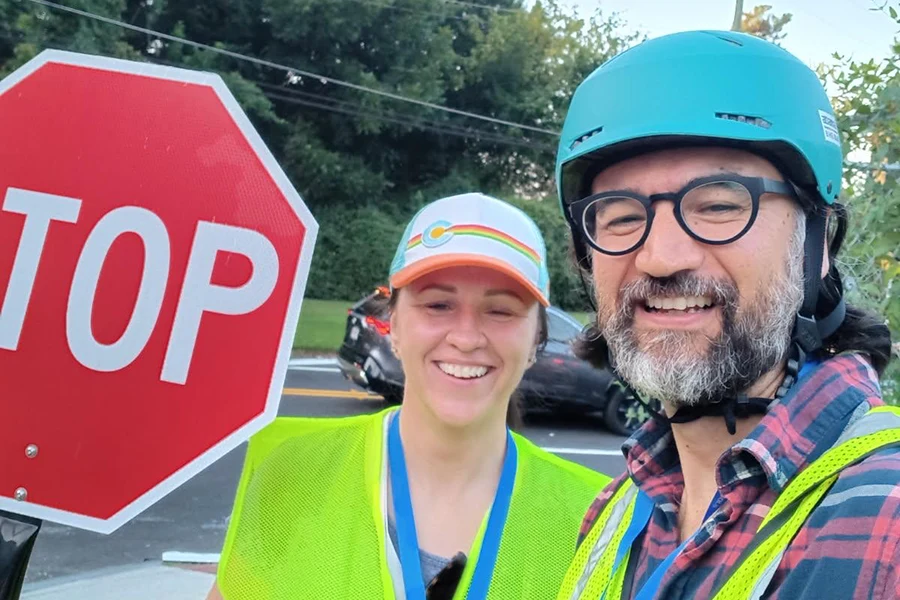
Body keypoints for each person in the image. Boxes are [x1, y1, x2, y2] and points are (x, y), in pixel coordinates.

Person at [552, 31, 899, 600]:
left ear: (817, 241)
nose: (659, 257)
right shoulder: (618, 511)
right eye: (617, 217)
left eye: (718, 204)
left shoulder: (884, 522)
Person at [207, 192, 610, 600]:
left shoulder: (598, 520)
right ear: (394, 326)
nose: (466, 338)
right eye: (438, 304)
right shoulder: (291, 469)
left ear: (535, 342)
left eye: (501, 310)